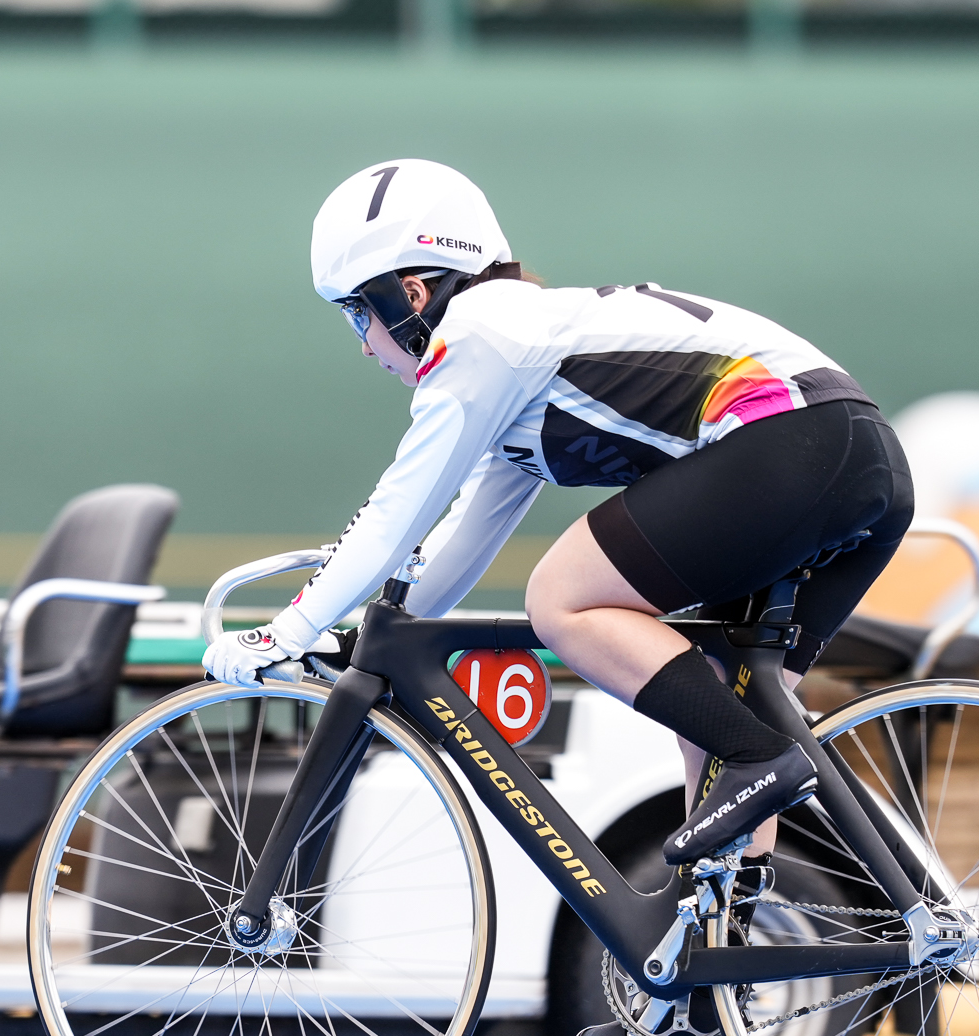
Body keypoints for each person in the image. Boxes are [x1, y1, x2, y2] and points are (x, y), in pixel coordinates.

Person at [203, 158, 912, 877]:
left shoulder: (481, 335)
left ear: (409, 293)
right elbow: (458, 540)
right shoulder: (524, 352)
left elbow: (397, 512)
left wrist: (286, 628)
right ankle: (724, 968)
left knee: (560, 598)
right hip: (857, 457)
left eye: (359, 312)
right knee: (716, 718)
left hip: (794, 448)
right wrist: (368, 643)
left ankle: (759, 760)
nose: (362, 343)